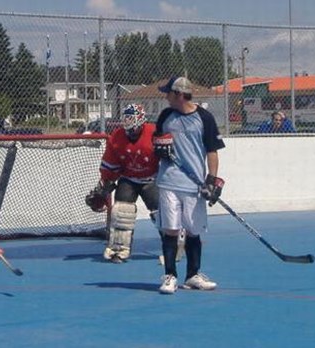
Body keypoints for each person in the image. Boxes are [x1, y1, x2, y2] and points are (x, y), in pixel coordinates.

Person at [153, 77, 226, 294]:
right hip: (169, 181)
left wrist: (211, 181)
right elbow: (157, 141)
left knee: (194, 231)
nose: (166, 97)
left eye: (169, 93)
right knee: (171, 230)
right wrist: (159, 149)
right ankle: (170, 276)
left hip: (194, 185)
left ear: (179, 94)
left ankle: (193, 275)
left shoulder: (204, 118)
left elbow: (212, 151)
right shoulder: (166, 116)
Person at [86, 104, 165, 263]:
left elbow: (168, 159)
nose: (128, 123)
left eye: (132, 118)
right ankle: (119, 249)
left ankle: (172, 247)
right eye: (126, 118)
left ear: (141, 120)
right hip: (128, 178)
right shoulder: (117, 137)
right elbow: (110, 164)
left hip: (152, 178)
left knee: (161, 214)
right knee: (121, 211)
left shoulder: (155, 133)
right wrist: (105, 184)